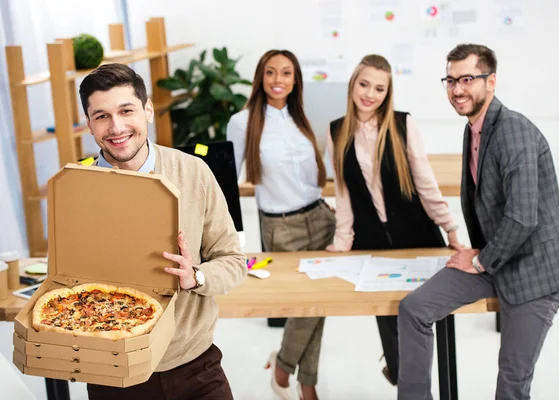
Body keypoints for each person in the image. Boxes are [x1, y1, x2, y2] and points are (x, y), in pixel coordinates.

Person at [396, 43, 559, 400]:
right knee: (414, 309)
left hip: (535, 270)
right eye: (450, 80)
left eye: (467, 78)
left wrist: (480, 259)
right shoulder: (474, 129)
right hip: (497, 258)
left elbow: (522, 216)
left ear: (491, 81)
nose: (457, 89)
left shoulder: (512, 130)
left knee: (511, 383)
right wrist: (480, 256)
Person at [78, 63, 247, 400]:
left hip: (195, 366)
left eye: (126, 110)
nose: (117, 127)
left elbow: (233, 262)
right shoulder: (76, 189)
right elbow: (67, 280)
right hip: (115, 372)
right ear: (89, 124)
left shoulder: (194, 173)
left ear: (148, 110)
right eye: (102, 116)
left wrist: (195, 276)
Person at [325, 54, 462, 388]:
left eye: (379, 88)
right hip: (372, 242)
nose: (370, 94)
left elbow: (426, 182)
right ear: (353, 84)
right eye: (364, 84)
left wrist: (451, 228)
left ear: (388, 93)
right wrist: (343, 240)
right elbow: (343, 194)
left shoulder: (403, 125)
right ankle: (405, 381)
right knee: (387, 317)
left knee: (424, 316)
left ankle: (426, 387)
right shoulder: (336, 131)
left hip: (417, 235)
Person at [227, 50, 335, 400]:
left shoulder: (302, 117)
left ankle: (299, 376)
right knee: (306, 305)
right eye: (271, 72)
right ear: (260, 77)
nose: (278, 80)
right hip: (281, 227)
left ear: (295, 80)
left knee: (320, 302)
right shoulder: (243, 122)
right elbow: (227, 180)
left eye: (286, 73)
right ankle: (294, 374)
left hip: (320, 218)